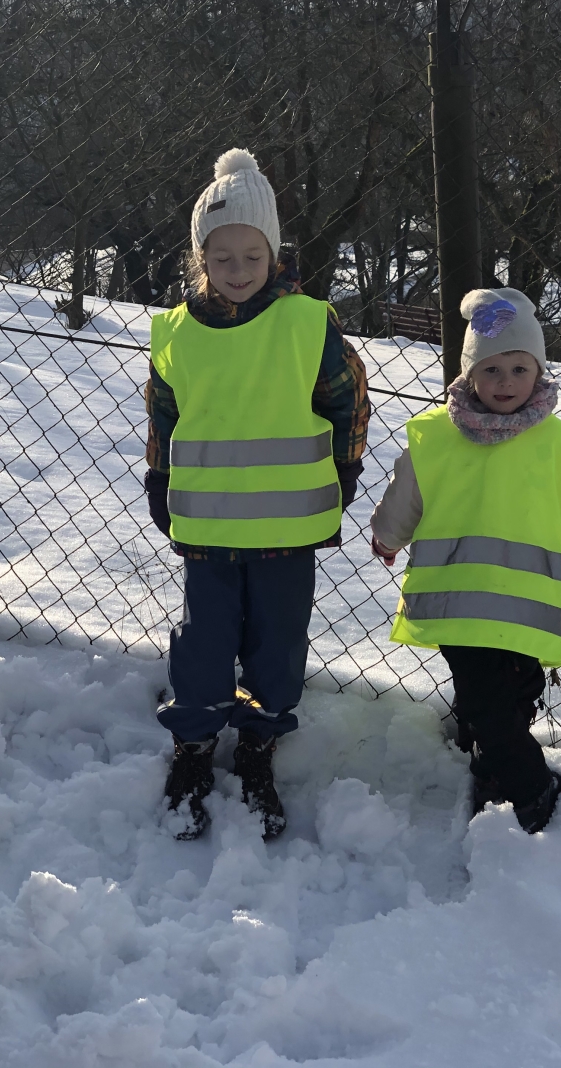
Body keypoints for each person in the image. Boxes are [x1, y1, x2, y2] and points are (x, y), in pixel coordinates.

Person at [369, 288, 561, 834]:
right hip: (460, 607)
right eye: (491, 370)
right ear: (470, 374)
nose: (506, 382)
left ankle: (490, 767)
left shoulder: (557, 446)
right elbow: (405, 499)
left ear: (538, 372)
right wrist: (387, 537)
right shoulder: (436, 439)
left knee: (517, 693)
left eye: (519, 369)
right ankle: (530, 787)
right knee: (485, 699)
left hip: (524, 610)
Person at [144, 149, 369, 840]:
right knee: (204, 640)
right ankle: (193, 743)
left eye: (251, 256)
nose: (237, 270)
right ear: (200, 259)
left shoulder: (308, 323)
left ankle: (259, 740)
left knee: (276, 642)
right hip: (207, 526)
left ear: (273, 253)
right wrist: (160, 476)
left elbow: (347, 400)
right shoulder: (177, 333)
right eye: (221, 257)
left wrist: (345, 468)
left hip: (286, 528)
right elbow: (164, 413)